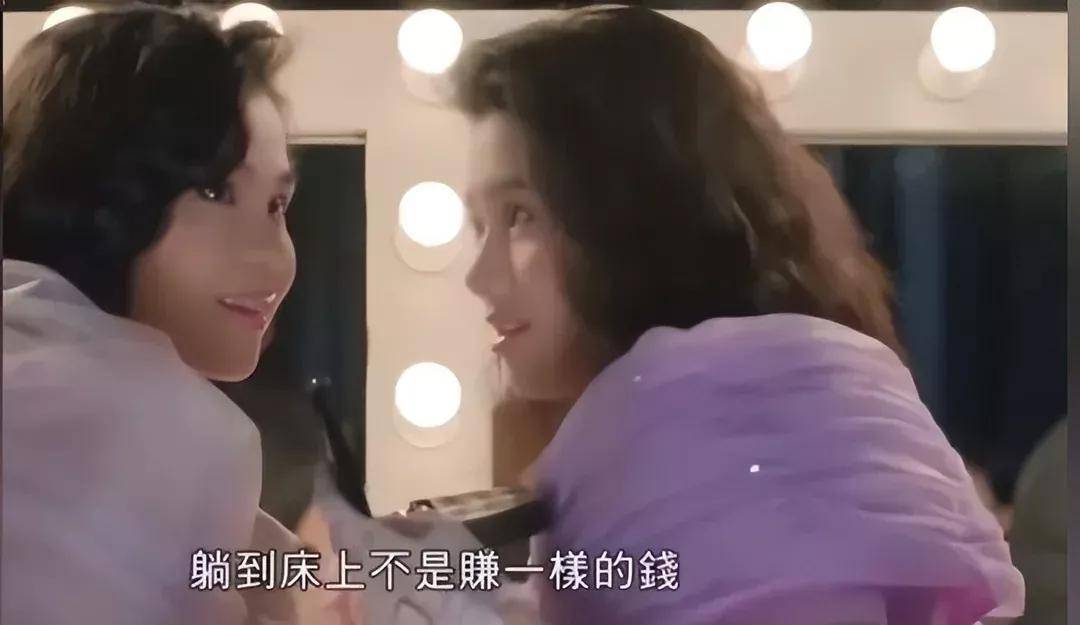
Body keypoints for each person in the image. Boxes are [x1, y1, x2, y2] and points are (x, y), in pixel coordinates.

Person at [453, 7, 1024, 625]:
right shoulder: (783, 415)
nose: (479, 277)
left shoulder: (729, 459)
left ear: (630, 212)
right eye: (478, 225)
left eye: (520, 217)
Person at [1, 4, 339, 623]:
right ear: (95, 191)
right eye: (215, 191)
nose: (272, 258)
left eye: (277, 205)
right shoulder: (173, 427)